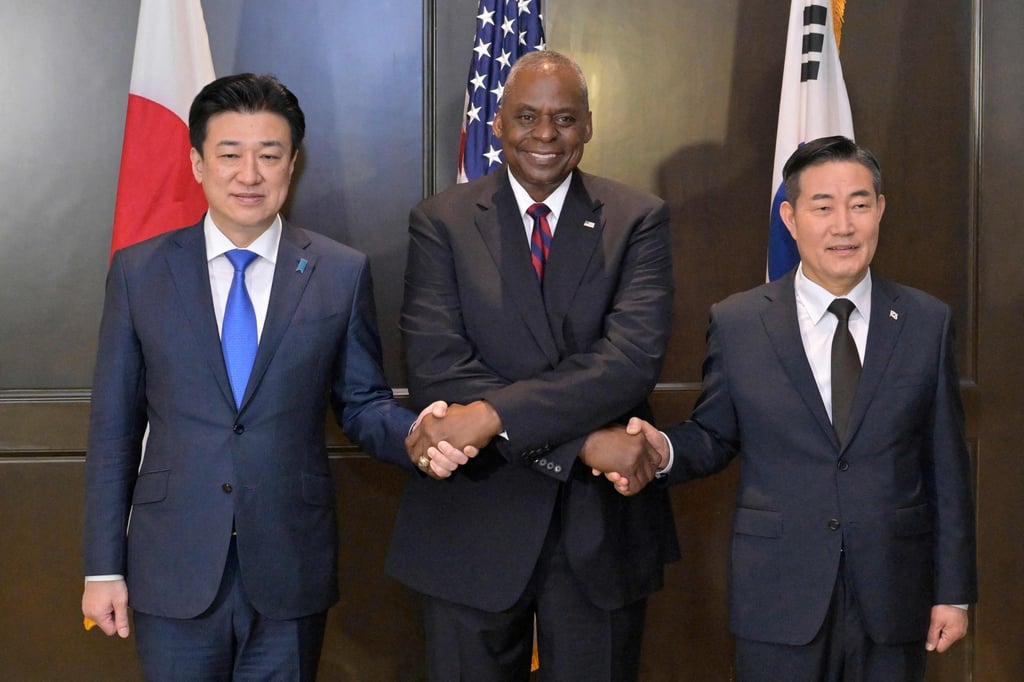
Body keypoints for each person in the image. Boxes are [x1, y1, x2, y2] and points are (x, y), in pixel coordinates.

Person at [80, 73, 470, 680]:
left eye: (268, 155)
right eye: (229, 155)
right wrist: (103, 567)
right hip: (172, 564)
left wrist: (420, 435)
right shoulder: (140, 272)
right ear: (197, 163)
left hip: (290, 563)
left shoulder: (339, 272)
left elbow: (362, 403)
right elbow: (113, 431)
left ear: (293, 164)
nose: (249, 174)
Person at [614, 136, 977, 680]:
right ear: (790, 217)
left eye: (859, 204)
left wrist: (954, 592)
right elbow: (714, 434)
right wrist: (660, 450)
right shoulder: (739, 322)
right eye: (823, 207)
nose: (843, 226)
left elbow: (946, 465)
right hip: (778, 593)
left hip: (894, 593)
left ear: (880, 210)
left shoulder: (927, 321)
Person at [390, 50, 679, 681]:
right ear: (497, 123)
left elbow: (628, 363)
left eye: (564, 118)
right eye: (526, 116)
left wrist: (490, 415)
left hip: (598, 527)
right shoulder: (441, 221)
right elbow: (439, 368)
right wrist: (582, 445)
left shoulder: (637, 219)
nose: (545, 134)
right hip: (473, 517)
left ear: (588, 125)